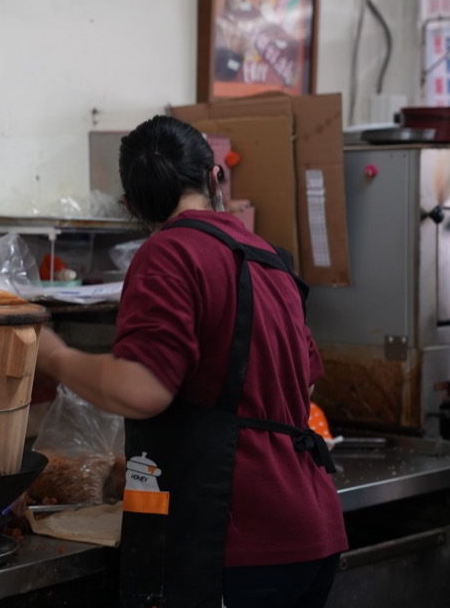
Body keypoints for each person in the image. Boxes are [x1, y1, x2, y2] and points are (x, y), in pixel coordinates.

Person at [34, 115, 347, 608]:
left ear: (130, 206)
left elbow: (142, 388)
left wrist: (54, 355)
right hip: (310, 530)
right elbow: (300, 389)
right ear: (215, 177)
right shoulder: (270, 258)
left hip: (231, 541)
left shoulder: (169, 253)